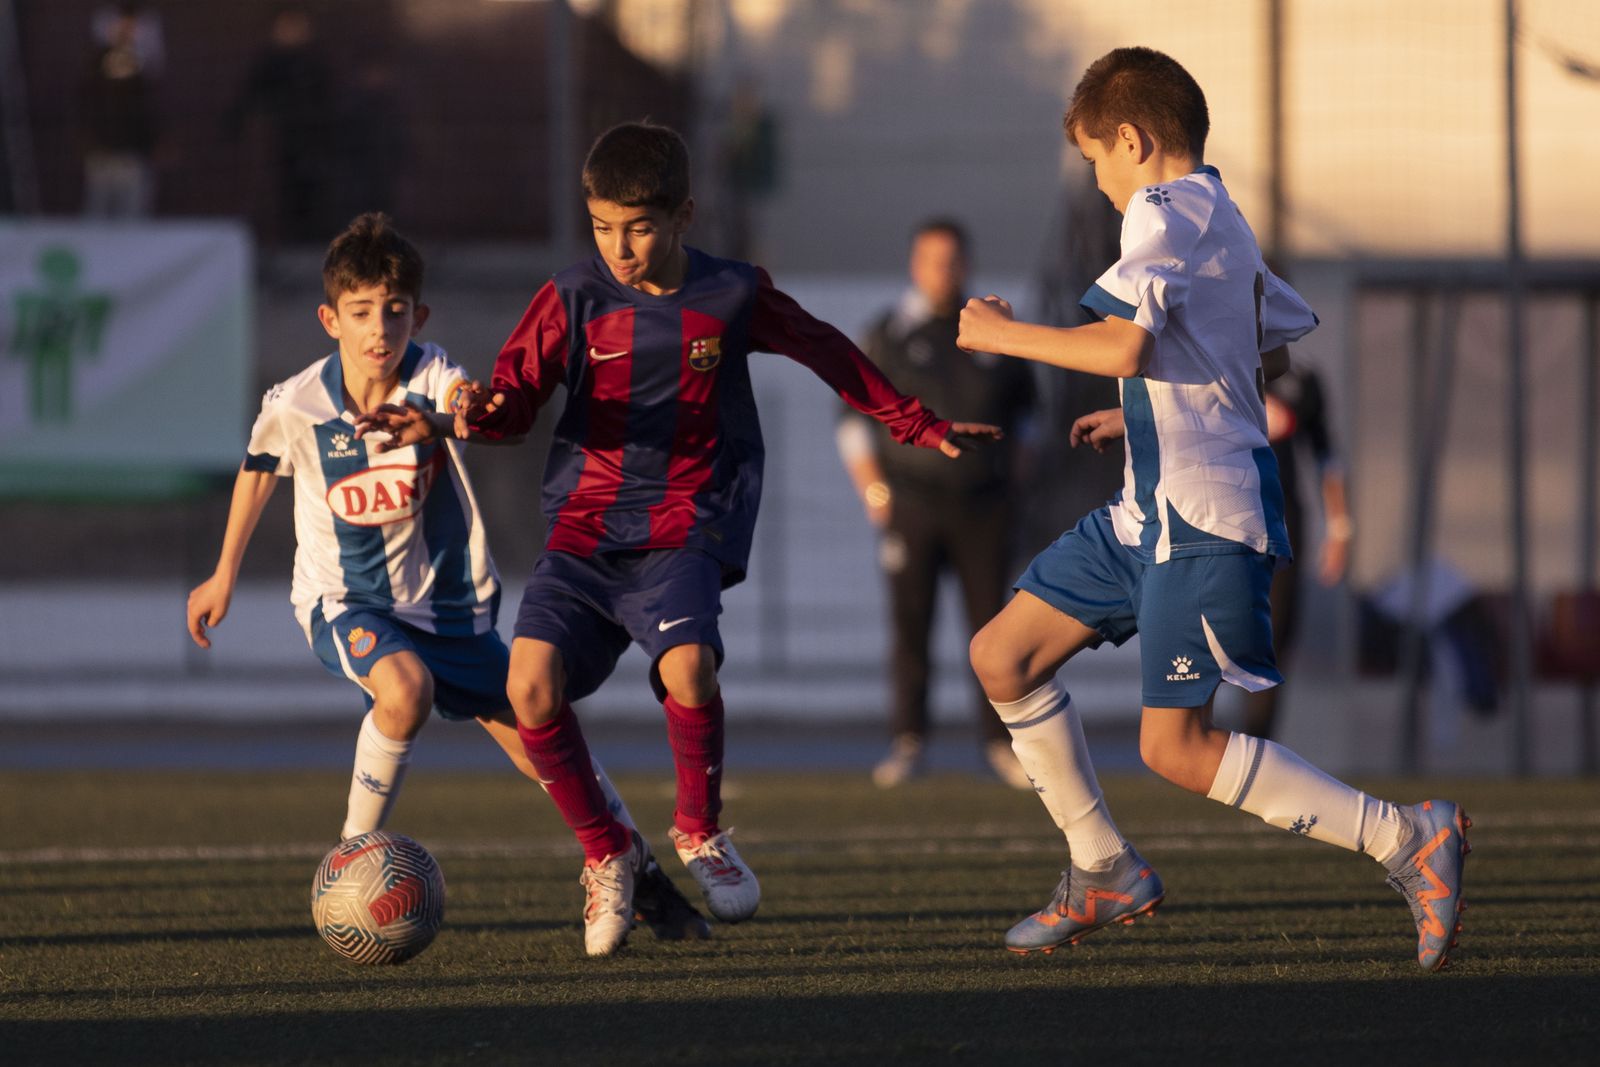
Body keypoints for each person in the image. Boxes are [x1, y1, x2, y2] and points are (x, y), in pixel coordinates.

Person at [358, 122, 1000, 956]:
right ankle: (607, 854)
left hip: (683, 525)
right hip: (585, 532)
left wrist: (915, 423)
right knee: (529, 689)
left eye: (638, 226)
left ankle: (700, 830)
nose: (618, 247)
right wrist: (455, 417)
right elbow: (511, 408)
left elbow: (827, 351)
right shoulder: (570, 297)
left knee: (689, 664)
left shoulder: (731, 293)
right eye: (601, 226)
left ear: (684, 215)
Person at [957, 47, 1469, 971]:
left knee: (1175, 746)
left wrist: (1002, 333)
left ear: (1133, 139)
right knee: (1002, 654)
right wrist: (1146, 412)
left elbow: (1124, 342)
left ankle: (1405, 837)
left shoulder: (1163, 208)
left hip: (1201, 519)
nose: (1099, 182)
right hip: (1145, 511)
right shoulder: (1218, 211)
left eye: (1094, 159)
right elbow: (1241, 353)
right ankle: (1102, 865)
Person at [185, 212, 709, 950]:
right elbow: (259, 468)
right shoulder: (297, 402)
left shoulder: (432, 375)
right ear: (329, 318)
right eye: (362, 312)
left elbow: (466, 403)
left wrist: (449, 414)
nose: (379, 330)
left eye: (395, 312)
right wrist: (223, 572)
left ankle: (636, 870)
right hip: (346, 601)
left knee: (547, 741)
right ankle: (350, 859)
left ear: (417, 316)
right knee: (403, 692)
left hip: (452, 614)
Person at [836, 218, 1036, 789]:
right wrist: (874, 489)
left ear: (968, 264)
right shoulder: (890, 332)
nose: (943, 271)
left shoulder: (994, 331)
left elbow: (1030, 415)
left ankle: (1001, 743)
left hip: (985, 507)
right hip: (914, 503)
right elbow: (854, 416)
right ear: (913, 265)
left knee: (993, 629)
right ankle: (908, 740)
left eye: (953, 260)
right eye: (931, 260)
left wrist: (1016, 478)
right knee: (911, 625)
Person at [1241, 363, 1353, 739]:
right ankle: (1191, 738)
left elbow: (1325, 455)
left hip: (1280, 521)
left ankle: (1258, 743)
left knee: (1273, 637)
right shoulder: (1213, 355)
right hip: (1218, 513)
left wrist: (1339, 528)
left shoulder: (1301, 380)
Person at [80, 4, 158, 218]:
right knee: (98, 213)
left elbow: (147, 107)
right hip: (102, 152)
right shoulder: (97, 63)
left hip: (131, 154)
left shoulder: (143, 62)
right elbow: (85, 101)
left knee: (132, 214)